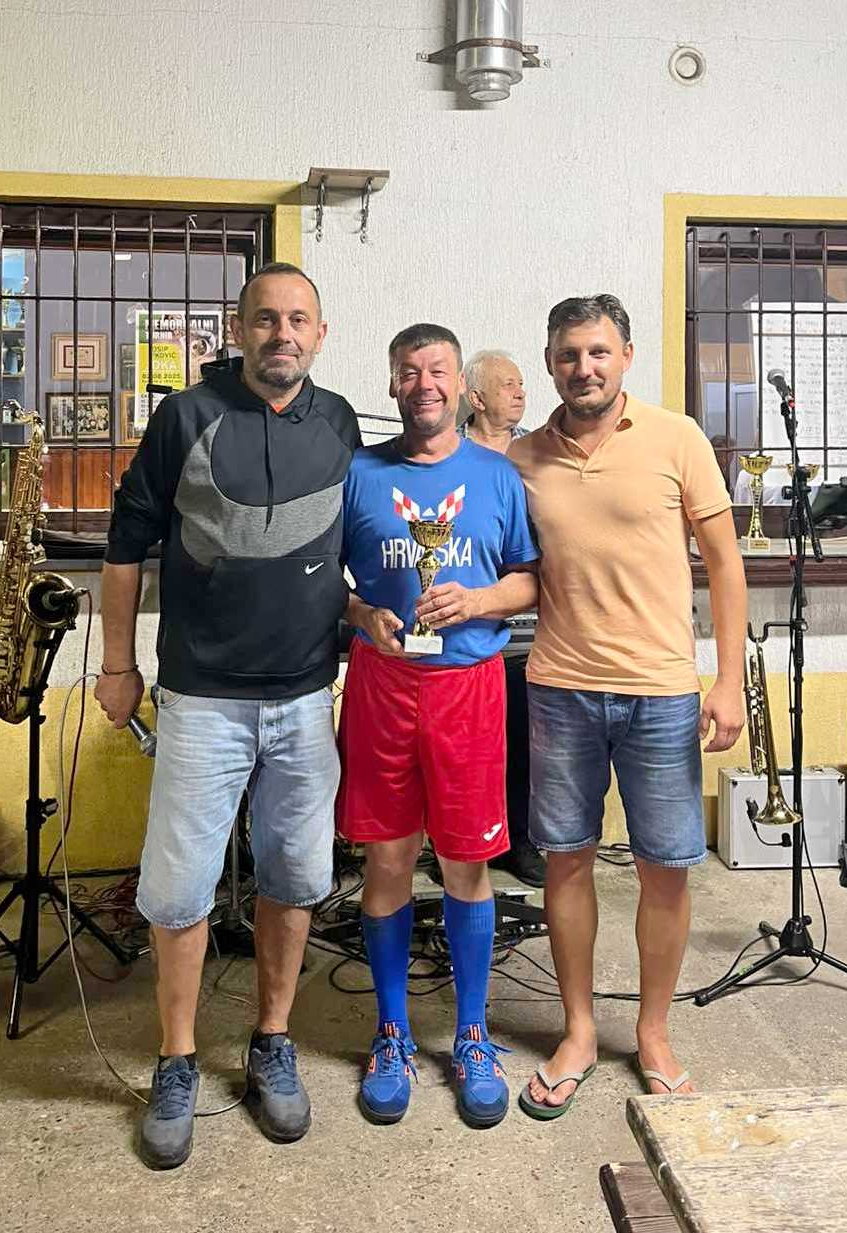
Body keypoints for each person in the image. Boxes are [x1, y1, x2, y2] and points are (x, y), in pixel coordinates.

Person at [95, 262, 359, 1169]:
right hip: (201, 698)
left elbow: (338, 550)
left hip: (305, 697)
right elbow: (126, 549)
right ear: (239, 329)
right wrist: (119, 664)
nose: (283, 334)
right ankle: (176, 1059)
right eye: (266, 319)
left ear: (320, 333)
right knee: (178, 890)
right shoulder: (184, 417)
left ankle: (272, 1039)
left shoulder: (341, 422)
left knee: (296, 876)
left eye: (299, 319)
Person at [508, 294, 746, 1118]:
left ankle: (652, 1032)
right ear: (551, 364)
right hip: (560, 687)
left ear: (627, 357)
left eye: (599, 352)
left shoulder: (678, 438)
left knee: (665, 868)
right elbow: (513, 568)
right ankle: (577, 1030)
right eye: (570, 354)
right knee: (565, 860)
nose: (585, 368)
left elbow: (725, 562)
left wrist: (727, 680)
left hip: (662, 693)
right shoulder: (521, 459)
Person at [338, 323, 539, 1128]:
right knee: (388, 860)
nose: (424, 384)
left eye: (438, 370)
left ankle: (472, 1033)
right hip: (384, 685)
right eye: (409, 371)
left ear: (460, 386)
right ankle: (391, 1031)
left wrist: (479, 599)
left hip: (469, 688)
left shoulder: (497, 475)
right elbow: (325, 583)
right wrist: (362, 613)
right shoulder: (358, 474)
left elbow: (529, 579)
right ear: (392, 384)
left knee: (466, 861)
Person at [459, 349, 543, 888]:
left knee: (526, 744)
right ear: (476, 397)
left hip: (533, 627)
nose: (520, 393)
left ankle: (521, 841)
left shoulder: (537, 452)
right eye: (508, 384)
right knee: (471, 750)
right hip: (466, 630)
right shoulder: (451, 450)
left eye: (521, 384)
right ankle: (465, 837)